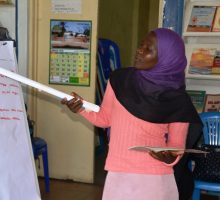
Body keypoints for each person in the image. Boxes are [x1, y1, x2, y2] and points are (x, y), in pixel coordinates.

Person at [61, 28, 202, 200]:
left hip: (155, 180)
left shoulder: (178, 100)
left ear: (167, 58)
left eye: (148, 49)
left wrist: (168, 157)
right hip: (118, 173)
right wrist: (81, 108)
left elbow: (176, 146)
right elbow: (105, 119)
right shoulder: (120, 80)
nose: (139, 51)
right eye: (141, 45)